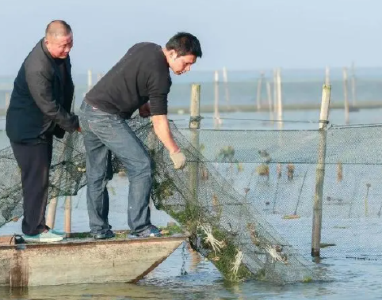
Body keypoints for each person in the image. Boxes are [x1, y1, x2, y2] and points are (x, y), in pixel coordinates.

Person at [79, 32, 202, 239]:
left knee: (97, 175)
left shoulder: (145, 47)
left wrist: (143, 104)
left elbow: (131, 74)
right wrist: (175, 151)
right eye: (187, 63)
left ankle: (99, 231)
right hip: (106, 117)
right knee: (142, 165)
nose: (187, 69)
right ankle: (141, 227)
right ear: (173, 54)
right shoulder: (162, 77)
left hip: (88, 110)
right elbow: (159, 122)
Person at [6, 20, 80, 243]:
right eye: (63, 46)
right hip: (27, 130)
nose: (67, 50)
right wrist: (73, 123)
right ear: (48, 41)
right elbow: (47, 105)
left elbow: (67, 87)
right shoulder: (37, 66)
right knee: (36, 180)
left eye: (70, 44)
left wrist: (67, 120)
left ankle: (38, 226)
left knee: (41, 178)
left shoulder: (60, 56)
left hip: (43, 128)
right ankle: (33, 230)